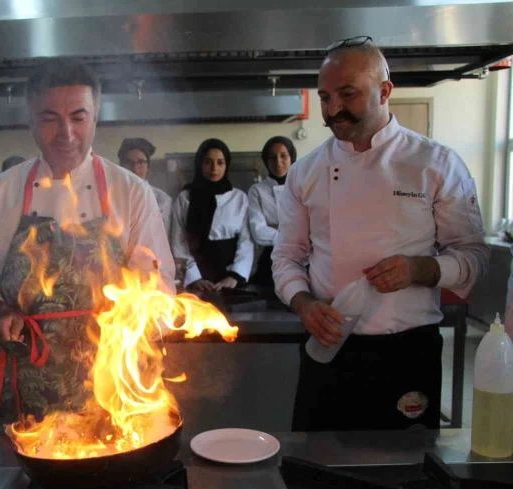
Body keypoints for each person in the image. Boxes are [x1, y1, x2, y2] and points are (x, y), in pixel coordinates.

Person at [271, 37, 489, 431]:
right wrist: (303, 305)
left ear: (385, 91)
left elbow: (473, 256)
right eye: (324, 97)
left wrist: (419, 269)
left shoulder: (434, 164)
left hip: (406, 352)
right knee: (317, 474)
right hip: (330, 347)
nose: (333, 109)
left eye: (347, 94)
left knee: (402, 477)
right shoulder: (306, 172)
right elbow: (286, 255)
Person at [0, 58, 174, 423]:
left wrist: (134, 324)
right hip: (29, 395)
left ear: (95, 117)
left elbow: (160, 285)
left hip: (115, 393)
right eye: (49, 118)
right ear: (30, 119)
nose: (66, 133)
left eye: (78, 117)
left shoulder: (131, 192)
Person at [169, 138, 254, 292]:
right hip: (195, 281)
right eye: (208, 162)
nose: (214, 168)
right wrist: (195, 277)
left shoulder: (239, 198)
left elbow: (246, 241)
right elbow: (178, 241)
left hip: (230, 281)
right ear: (200, 164)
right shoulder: (185, 198)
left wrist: (235, 276)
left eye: (220, 163)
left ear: (227, 165)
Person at [247, 137, 297, 286]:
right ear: (266, 161)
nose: (278, 162)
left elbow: (312, 226)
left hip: (302, 259)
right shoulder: (257, 190)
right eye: (272, 157)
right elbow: (259, 232)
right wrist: (293, 235)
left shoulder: (301, 186)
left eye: (283, 156)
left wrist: (275, 227)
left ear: (292, 158)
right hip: (269, 260)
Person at [118, 137, 172, 232]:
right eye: (129, 162)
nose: (135, 168)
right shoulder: (111, 198)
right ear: (121, 166)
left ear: (148, 167)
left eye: (141, 162)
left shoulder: (162, 200)